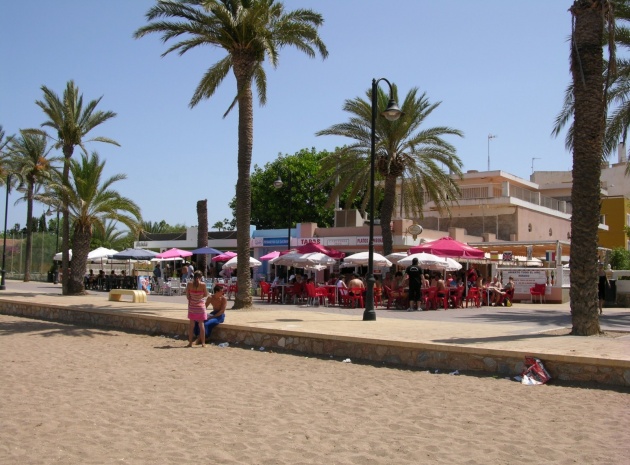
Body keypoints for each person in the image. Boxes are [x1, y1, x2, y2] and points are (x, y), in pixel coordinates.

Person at [186, 271, 209, 347]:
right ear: (201, 277)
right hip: (200, 306)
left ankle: (190, 343)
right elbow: (206, 294)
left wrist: (193, 297)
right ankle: (203, 343)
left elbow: (187, 296)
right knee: (201, 325)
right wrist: (199, 296)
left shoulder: (189, 284)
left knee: (191, 325)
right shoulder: (203, 285)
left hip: (192, 306)